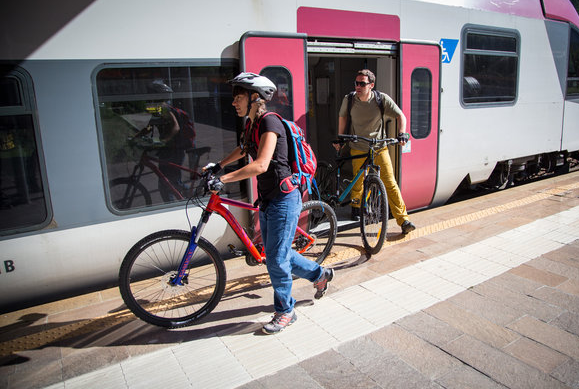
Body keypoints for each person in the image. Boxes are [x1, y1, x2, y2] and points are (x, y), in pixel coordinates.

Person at [204, 72, 334, 334]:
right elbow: (244, 149)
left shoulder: (270, 122)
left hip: (284, 199)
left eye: (238, 97)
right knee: (279, 254)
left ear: (254, 97)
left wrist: (224, 178)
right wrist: (219, 165)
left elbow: (261, 164)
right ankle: (320, 274)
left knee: (275, 259)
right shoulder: (252, 125)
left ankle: (286, 311)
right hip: (267, 199)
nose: (234, 103)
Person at [335, 69, 416, 234]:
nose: (358, 86)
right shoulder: (349, 99)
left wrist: (402, 133)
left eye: (362, 84)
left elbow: (401, 116)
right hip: (358, 146)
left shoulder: (381, 99)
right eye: (356, 83)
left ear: (371, 85)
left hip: (379, 148)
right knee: (358, 181)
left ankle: (404, 220)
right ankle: (356, 206)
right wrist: (340, 137)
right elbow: (343, 116)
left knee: (390, 183)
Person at [145, 79, 190, 202]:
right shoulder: (158, 109)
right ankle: (169, 205)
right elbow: (149, 127)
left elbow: (176, 127)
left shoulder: (165, 108)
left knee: (172, 181)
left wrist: (164, 140)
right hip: (167, 150)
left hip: (175, 150)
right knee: (164, 180)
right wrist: (135, 137)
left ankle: (193, 194)